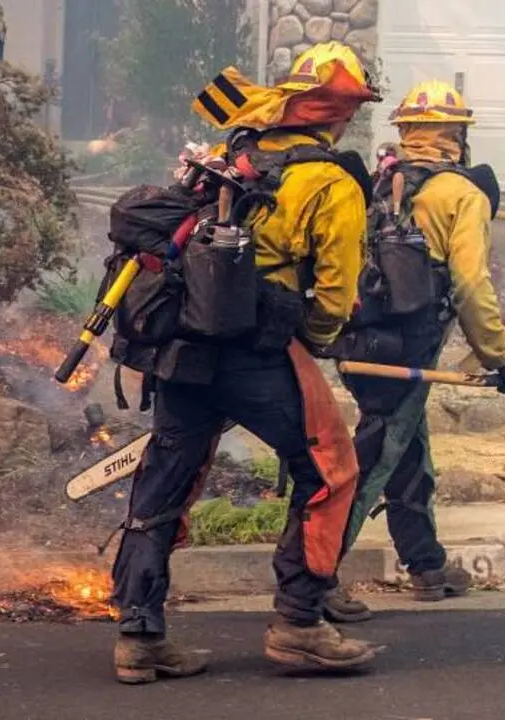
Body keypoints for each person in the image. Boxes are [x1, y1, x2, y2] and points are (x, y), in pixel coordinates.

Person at [109, 41, 382, 684]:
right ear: (341, 115)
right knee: (331, 470)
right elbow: (337, 293)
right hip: (260, 350)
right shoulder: (334, 181)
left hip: (184, 346)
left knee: (166, 477)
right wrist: (313, 337)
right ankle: (300, 625)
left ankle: (139, 636)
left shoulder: (238, 152)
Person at [322, 80, 505, 623]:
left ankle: (426, 564)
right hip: (408, 349)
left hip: (363, 342)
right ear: (457, 136)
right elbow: (470, 286)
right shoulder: (462, 195)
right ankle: (313, 578)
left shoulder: (379, 183)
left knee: (407, 447)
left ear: (407, 134)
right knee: (371, 461)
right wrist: (502, 357)